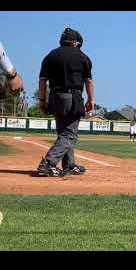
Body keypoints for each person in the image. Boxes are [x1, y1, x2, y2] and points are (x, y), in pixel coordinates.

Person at [37, 28, 95, 176]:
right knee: (70, 134)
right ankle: (48, 163)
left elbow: (42, 81)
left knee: (63, 132)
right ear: (75, 42)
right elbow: (88, 81)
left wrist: (42, 100)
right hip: (73, 97)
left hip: (55, 97)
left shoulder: (50, 55)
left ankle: (69, 164)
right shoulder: (83, 57)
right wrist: (91, 100)